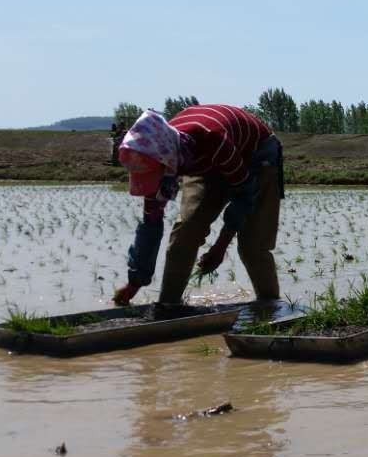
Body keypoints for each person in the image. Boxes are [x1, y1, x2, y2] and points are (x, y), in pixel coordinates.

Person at [112, 106, 283, 307]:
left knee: (253, 246)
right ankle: (169, 305)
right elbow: (150, 225)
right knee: (186, 230)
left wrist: (220, 247)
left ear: (166, 161)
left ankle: (271, 306)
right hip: (201, 161)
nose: (154, 182)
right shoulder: (156, 157)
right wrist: (135, 282)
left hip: (256, 154)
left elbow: (244, 194)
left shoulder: (210, 139)